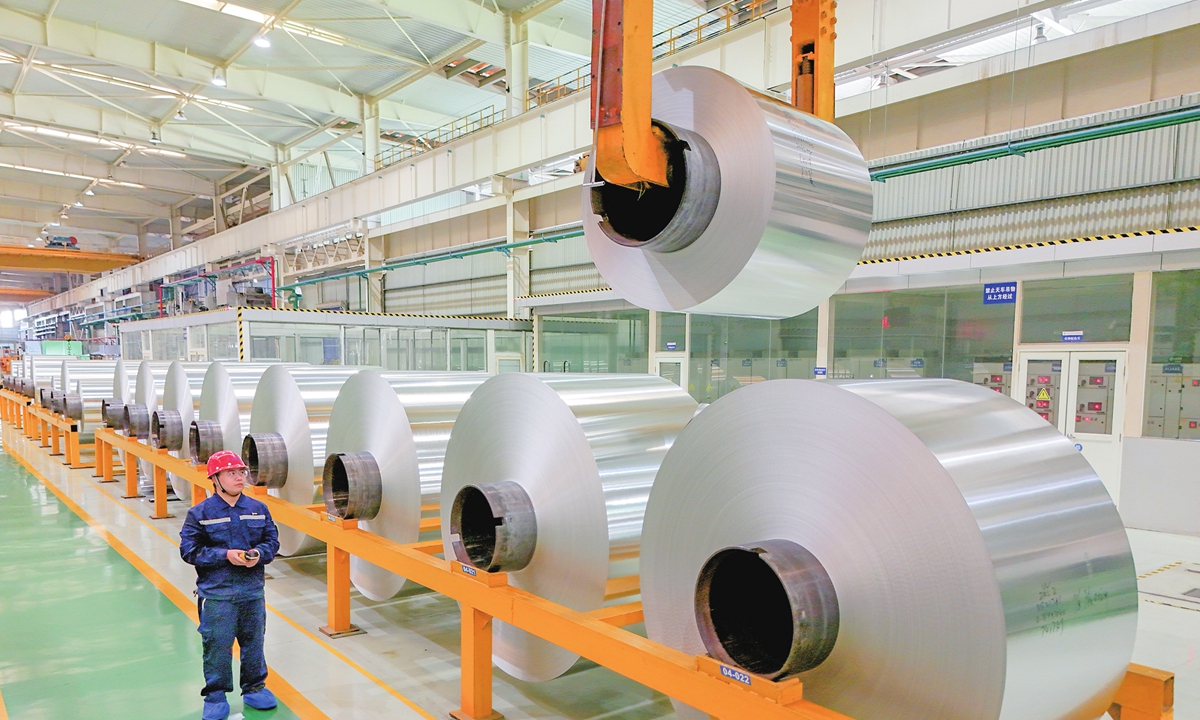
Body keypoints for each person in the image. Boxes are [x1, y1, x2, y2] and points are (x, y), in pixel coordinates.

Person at [180, 450, 281, 720]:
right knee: (217, 645)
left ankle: (254, 687)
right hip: (217, 594)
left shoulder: (258, 509)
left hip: (251, 592)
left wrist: (258, 554)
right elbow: (189, 551)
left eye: (241, 472)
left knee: (253, 642)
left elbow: (272, 542)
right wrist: (225, 555)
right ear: (215, 478)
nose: (239, 477)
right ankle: (215, 696)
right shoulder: (199, 513)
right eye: (231, 473)